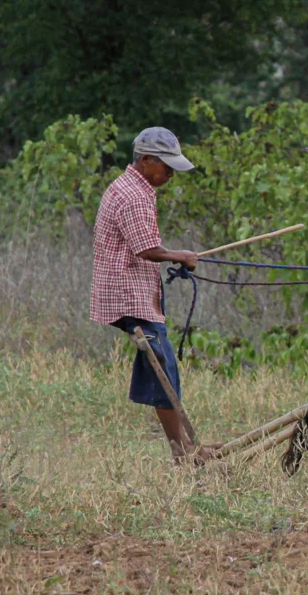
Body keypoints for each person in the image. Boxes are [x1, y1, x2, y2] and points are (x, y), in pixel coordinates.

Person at [89, 127, 215, 464]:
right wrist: (181, 255)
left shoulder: (135, 187)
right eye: (167, 166)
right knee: (164, 369)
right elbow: (146, 249)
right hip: (128, 293)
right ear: (146, 160)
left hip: (133, 290)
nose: (171, 174)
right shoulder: (133, 195)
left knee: (160, 365)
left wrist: (178, 256)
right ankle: (184, 450)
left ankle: (184, 446)